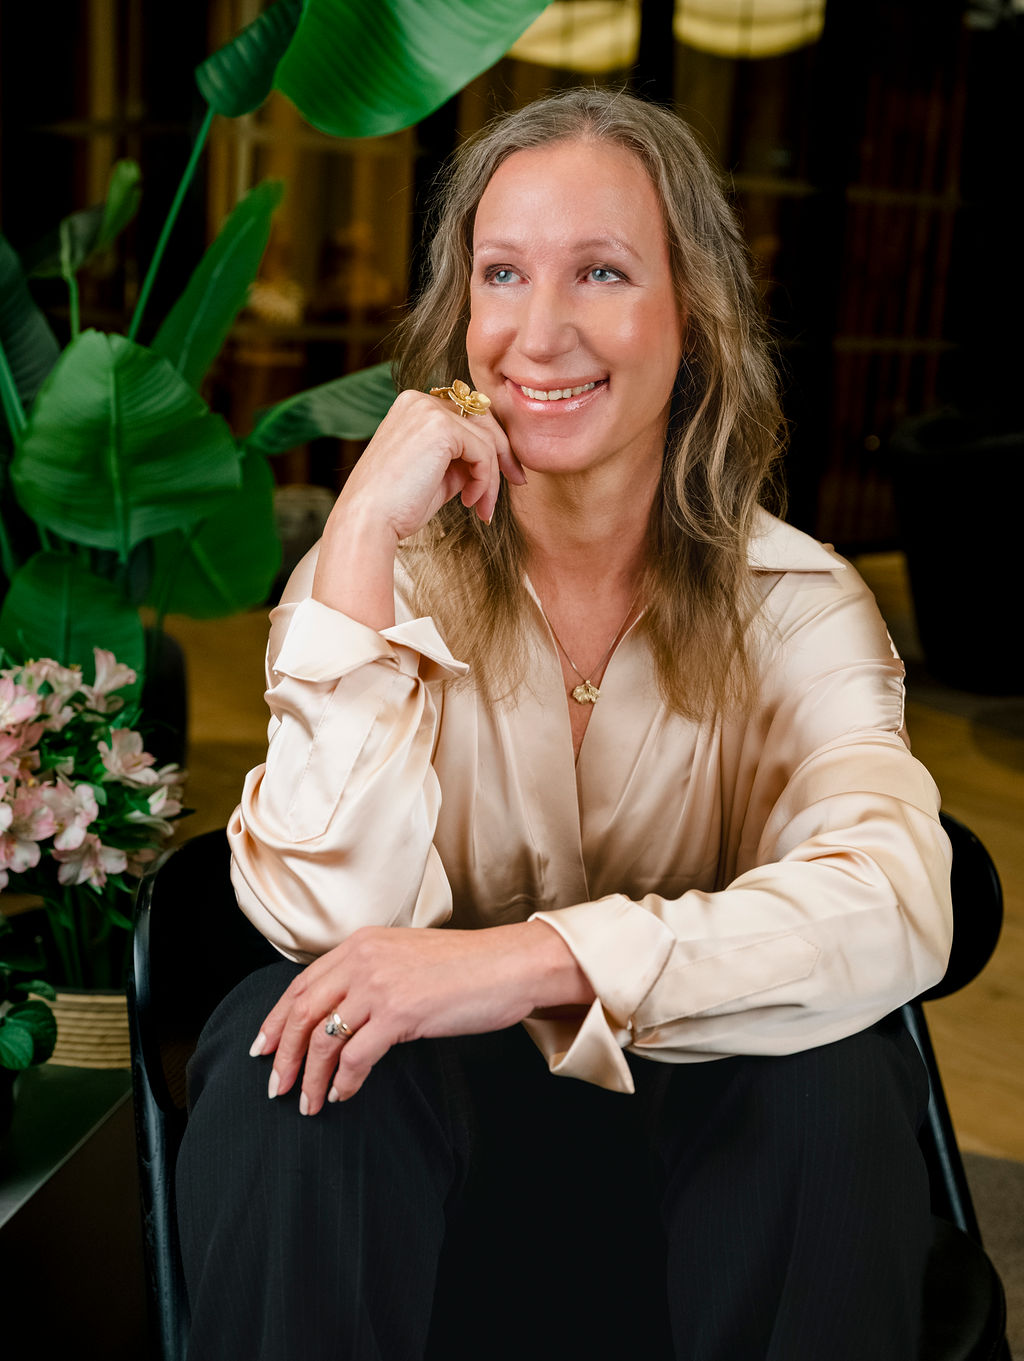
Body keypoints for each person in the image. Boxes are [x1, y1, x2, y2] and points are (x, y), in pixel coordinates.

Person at [176, 88, 952, 1361]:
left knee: (834, 1084)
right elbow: (327, 919)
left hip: (702, 1145)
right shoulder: (371, 579)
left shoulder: (799, 602)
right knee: (302, 1054)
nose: (538, 334)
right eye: (502, 274)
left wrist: (532, 960)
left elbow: (893, 893)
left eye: (600, 271)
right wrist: (358, 527)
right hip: (421, 1155)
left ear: (692, 314)